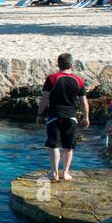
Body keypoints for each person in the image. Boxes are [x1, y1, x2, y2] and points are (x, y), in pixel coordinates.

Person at [37, 52, 89, 181]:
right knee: (68, 146)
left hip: (54, 116)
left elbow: (44, 98)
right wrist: (86, 117)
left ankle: (54, 173)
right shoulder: (79, 80)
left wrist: (39, 114)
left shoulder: (52, 78)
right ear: (72, 65)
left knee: (53, 145)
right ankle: (65, 173)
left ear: (58, 64)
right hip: (71, 117)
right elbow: (83, 101)